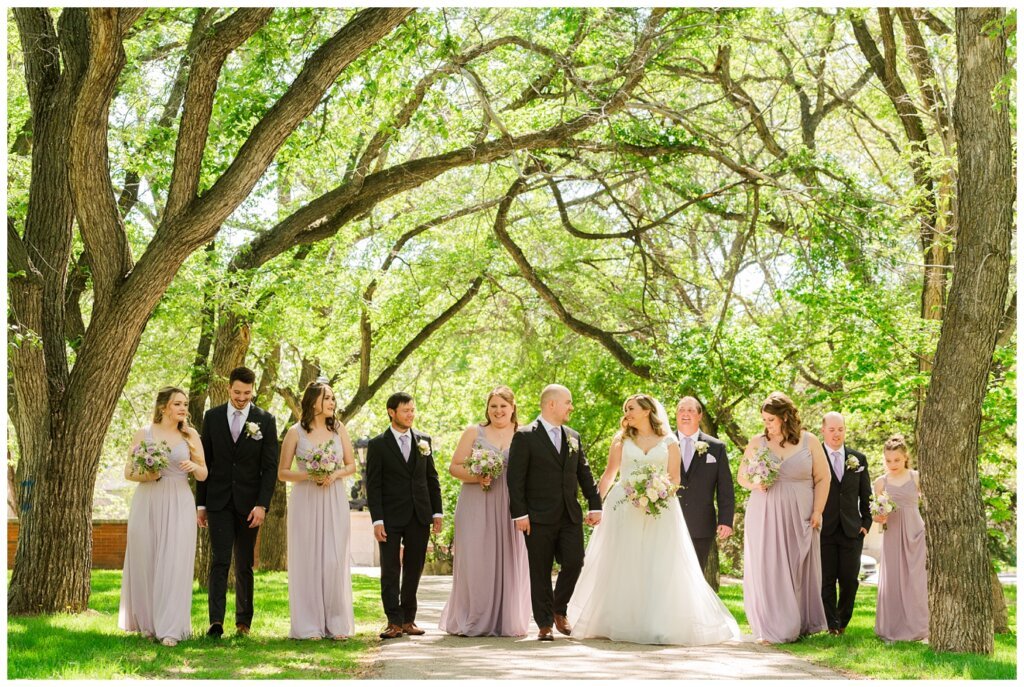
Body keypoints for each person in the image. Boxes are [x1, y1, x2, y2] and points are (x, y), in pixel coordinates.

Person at [567, 394, 740, 645]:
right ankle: (617, 620)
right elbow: (608, 476)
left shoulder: (669, 441)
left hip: (660, 508)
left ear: (647, 411)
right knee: (622, 562)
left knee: (658, 563)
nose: (626, 413)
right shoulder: (621, 440)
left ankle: (656, 622)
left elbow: (675, 479)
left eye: (631, 408)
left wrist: (656, 494)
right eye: (626, 409)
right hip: (624, 507)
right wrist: (596, 506)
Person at [506, 384, 602, 642]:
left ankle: (559, 610)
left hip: (569, 514)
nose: (571, 407)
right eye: (568, 402)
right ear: (551, 404)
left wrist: (595, 504)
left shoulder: (573, 436)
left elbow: (585, 474)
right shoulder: (525, 436)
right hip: (536, 516)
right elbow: (515, 480)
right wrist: (520, 514)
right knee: (540, 570)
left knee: (574, 562)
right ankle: (545, 623)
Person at [439, 386, 531, 637]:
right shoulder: (473, 432)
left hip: (511, 505)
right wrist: (476, 476)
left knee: (510, 560)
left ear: (513, 408)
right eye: (493, 406)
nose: (498, 410)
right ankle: (474, 617)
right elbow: (454, 467)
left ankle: (506, 620)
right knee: (476, 560)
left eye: (503, 406)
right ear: (487, 408)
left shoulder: (525, 433)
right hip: (476, 501)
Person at [738, 391, 829, 644]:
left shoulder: (809, 441)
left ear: (785, 417)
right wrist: (757, 483)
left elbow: (823, 478)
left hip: (800, 512)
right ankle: (773, 627)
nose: (766, 425)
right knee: (768, 566)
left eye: (770, 420)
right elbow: (742, 476)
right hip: (765, 511)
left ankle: (798, 622)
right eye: (764, 420)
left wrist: (818, 510)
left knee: (796, 565)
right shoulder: (758, 442)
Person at [119, 387, 207, 646]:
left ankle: (171, 628)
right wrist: (149, 474)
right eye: (177, 404)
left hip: (179, 500)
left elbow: (204, 474)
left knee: (174, 561)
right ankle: (149, 624)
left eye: (185, 404)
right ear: (163, 407)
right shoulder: (143, 433)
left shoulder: (190, 435)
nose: (183, 408)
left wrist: (194, 466)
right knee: (146, 559)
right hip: (147, 500)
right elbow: (128, 472)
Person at [196, 366, 279, 638]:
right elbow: (204, 463)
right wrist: (202, 504)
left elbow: (269, 468)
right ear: (229, 388)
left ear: (253, 390)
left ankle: (243, 622)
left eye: (246, 393)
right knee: (220, 560)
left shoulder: (265, 420)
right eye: (236, 392)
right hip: (219, 501)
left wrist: (262, 505)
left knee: (244, 563)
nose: (241, 397)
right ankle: (215, 622)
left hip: (249, 505)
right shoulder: (212, 417)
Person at [278, 382, 358, 640]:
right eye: (328, 399)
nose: (333, 403)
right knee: (309, 559)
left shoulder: (339, 430)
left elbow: (351, 466)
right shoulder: (295, 433)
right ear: (314, 402)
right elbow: (282, 473)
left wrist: (333, 474)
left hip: (333, 497)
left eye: (334, 398)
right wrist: (309, 475)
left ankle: (336, 624)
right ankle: (309, 625)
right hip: (306, 499)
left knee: (333, 559)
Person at [366, 392, 444, 640]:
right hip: (389, 517)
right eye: (406, 410)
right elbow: (373, 485)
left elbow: (432, 479)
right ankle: (393, 622)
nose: (411, 414)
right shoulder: (378, 444)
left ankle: (409, 619)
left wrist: (437, 511)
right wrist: (377, 520)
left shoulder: (424, 440)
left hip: (419, 514)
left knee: (414, 568)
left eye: (412, 410)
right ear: (392, 412)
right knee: (390, 569)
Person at [819, 412, 871, 636]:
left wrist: (866, 523)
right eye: (831, 430)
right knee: (827, 579)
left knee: (849, 580)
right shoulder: (815, 456)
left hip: (852, 529)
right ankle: (832, 624)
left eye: (840, 429)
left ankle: (842, 621)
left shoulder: (858, 459)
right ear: (823, 431)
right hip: (824, 528)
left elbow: (866, 494)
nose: (836, 434)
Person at [874, 434, 928, 642]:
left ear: (905, 457)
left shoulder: (916, 477)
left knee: (916, 580)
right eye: (888, 460)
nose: (892, 464)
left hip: (915, 532)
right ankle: (892, 629)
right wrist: (879, 516)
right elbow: (876, 514)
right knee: (893, 580)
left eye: (896, 460)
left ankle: (920, 629)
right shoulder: (881, 482)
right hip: (892, 533)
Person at [674, 396, 735, 573]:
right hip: (668, 522)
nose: (685, 414)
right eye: (681, 410)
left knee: (695, 575)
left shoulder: (716, 447)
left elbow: (725, 487)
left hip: (701, 525)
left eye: (691, 410)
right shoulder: (664, 444)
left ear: (700, 416)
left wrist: (725, 520)